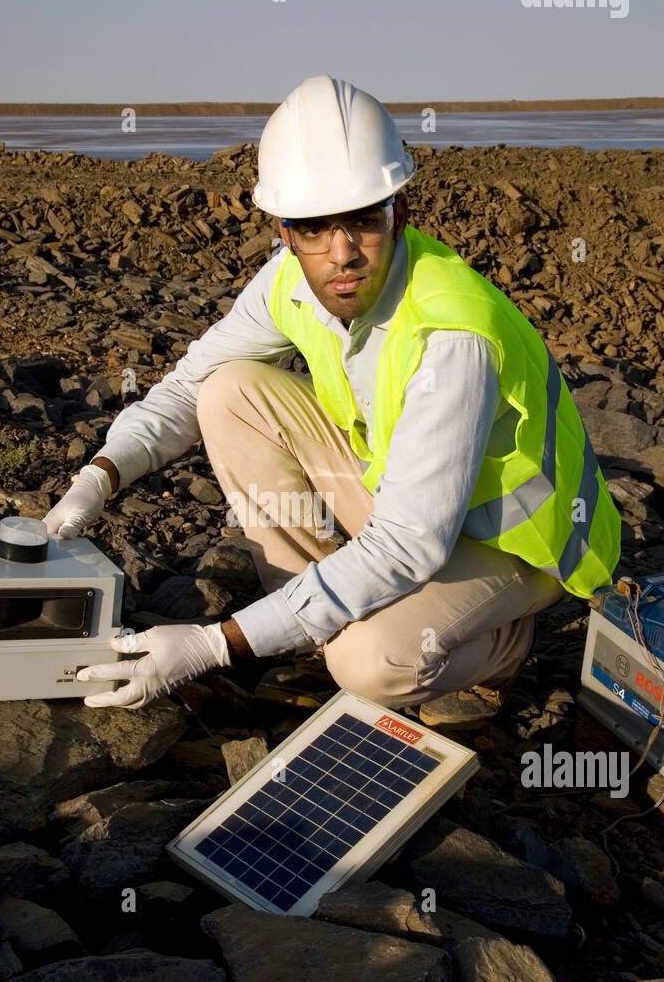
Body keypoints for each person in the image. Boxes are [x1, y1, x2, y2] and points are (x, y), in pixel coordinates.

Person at [43, 75, 621, 723]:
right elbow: (188, 383)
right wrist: (98, 476)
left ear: (398, 212)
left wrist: (215, 645)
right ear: (286, 232)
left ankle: (497, 650)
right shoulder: (288, 282)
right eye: (316, 228)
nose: (341, 254)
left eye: (363, 222)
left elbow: (408, 545)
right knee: (230, 390)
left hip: (519, 543)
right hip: (408, 495)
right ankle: (309, 629)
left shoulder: (451, 334)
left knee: (369, 661)